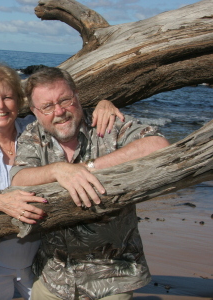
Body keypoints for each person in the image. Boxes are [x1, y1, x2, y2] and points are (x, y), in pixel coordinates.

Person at [0, 64, 123, 300]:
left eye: (8, 97)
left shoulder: (33, 130)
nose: (0, 106)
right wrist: (2, 202)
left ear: (19, 102)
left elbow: (63, 112)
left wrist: (104, 104)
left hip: (38, 259)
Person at [10, 67, 170, 300]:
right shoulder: (32, 136)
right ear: (35, 111)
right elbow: (18, 178)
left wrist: (88, 168)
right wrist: (58, 170)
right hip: (54, 277)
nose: (59, 111)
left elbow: (158, 145)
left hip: (112, 275)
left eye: (65, 100)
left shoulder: (106, 124)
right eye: (47, 106)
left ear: (77, 95)